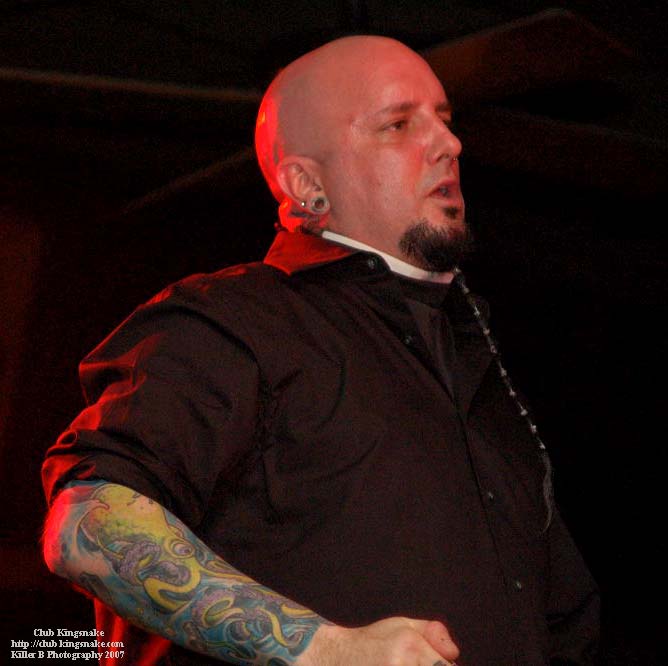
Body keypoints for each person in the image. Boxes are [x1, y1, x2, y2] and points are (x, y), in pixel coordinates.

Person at [42, 35, 599, 665]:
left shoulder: (479, 367)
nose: (450, 143)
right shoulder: (235, 318)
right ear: (307, 183)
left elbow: (564, 627)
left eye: (445, 119)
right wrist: (324, 648)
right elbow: (87, 524)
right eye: (399, 124)